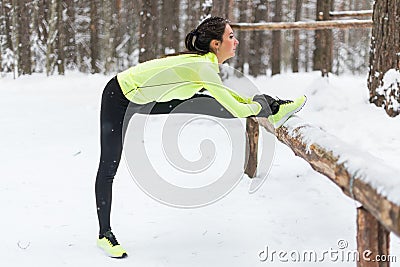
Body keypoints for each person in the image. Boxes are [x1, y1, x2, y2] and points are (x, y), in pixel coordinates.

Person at [95, 16, 306, 258]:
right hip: (119, 96)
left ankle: (274, 107)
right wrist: (258, 108)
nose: (236, 42)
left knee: (211, 104)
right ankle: (104, 234)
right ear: (216, 44)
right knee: (109, 164)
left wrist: (259, 105)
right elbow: (237, 109)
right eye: (230, 37)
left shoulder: (206, 65)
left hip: (149, 98)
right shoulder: (204, 67)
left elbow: (228, 98)